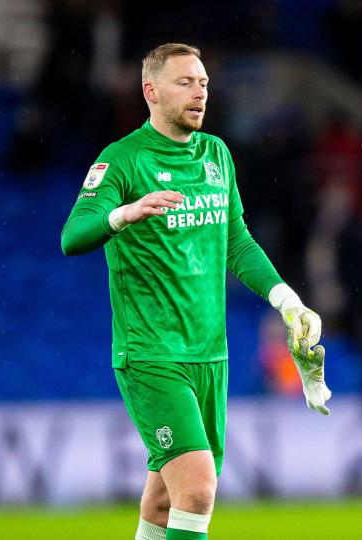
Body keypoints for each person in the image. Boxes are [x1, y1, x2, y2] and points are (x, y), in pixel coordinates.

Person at [60, 43, 331, 540]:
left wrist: (287, 300)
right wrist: (123, 214)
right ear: (151, 91)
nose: (199, 91)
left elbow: (237, 243)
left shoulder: (217, 155)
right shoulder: (121, 160)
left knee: (164, 502)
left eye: (203, 82)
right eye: (185, 82)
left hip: (211, 354)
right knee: (198, 489)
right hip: (152, 354)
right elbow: (71, 237)